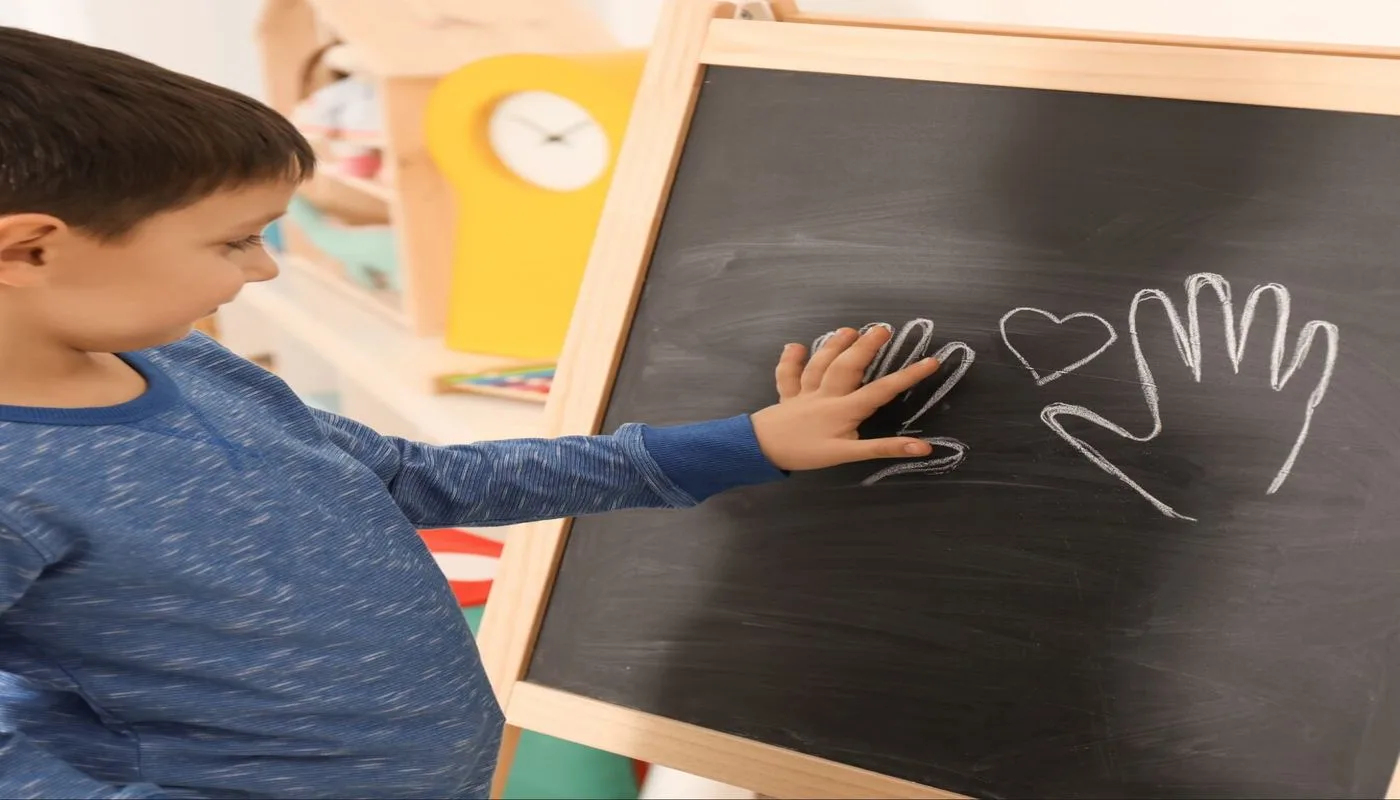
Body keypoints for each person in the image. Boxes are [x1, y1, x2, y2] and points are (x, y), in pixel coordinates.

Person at [0, 26, 946, 800]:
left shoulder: (190, 362)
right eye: (234, 241)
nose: (265, 267)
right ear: (31, 249)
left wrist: (746, 444)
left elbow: (415, 478)